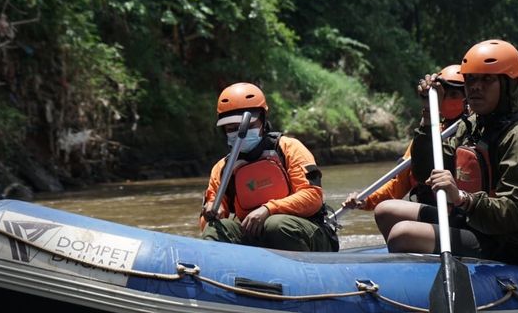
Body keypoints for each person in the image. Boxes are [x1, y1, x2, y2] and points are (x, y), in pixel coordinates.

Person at [373, 40, 518, 268]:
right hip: (477, 224)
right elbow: (424, 170)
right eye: (471, 79)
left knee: (402, 234)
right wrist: (428, 114)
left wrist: (462, 199)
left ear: (509, 85)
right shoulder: (473, 125)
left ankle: (418, 291)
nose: (475, 87)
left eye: (487, 79)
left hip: (515, 245)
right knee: (386, 210)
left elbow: (514, 215)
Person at [200, 82, 338, 252]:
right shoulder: (222, 168)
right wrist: (213, 210)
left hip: (306, 233)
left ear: (263, 122)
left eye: (249, 126)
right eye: (231, 129)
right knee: (216, 228)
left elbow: (312, 197)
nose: (239, 133)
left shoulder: (289, 148)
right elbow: (208, 221)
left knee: (275, 224)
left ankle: (300, 274)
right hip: (255, 238)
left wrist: (268, 209)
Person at [342, 64, 467, 211]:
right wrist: (365, 199)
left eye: (453, 95)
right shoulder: (426, 135)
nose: (445, 100)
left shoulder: (474, 132)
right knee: (387, 211)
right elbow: (397, 184)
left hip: (460, 213)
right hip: (429, 213)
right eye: (442, 94)